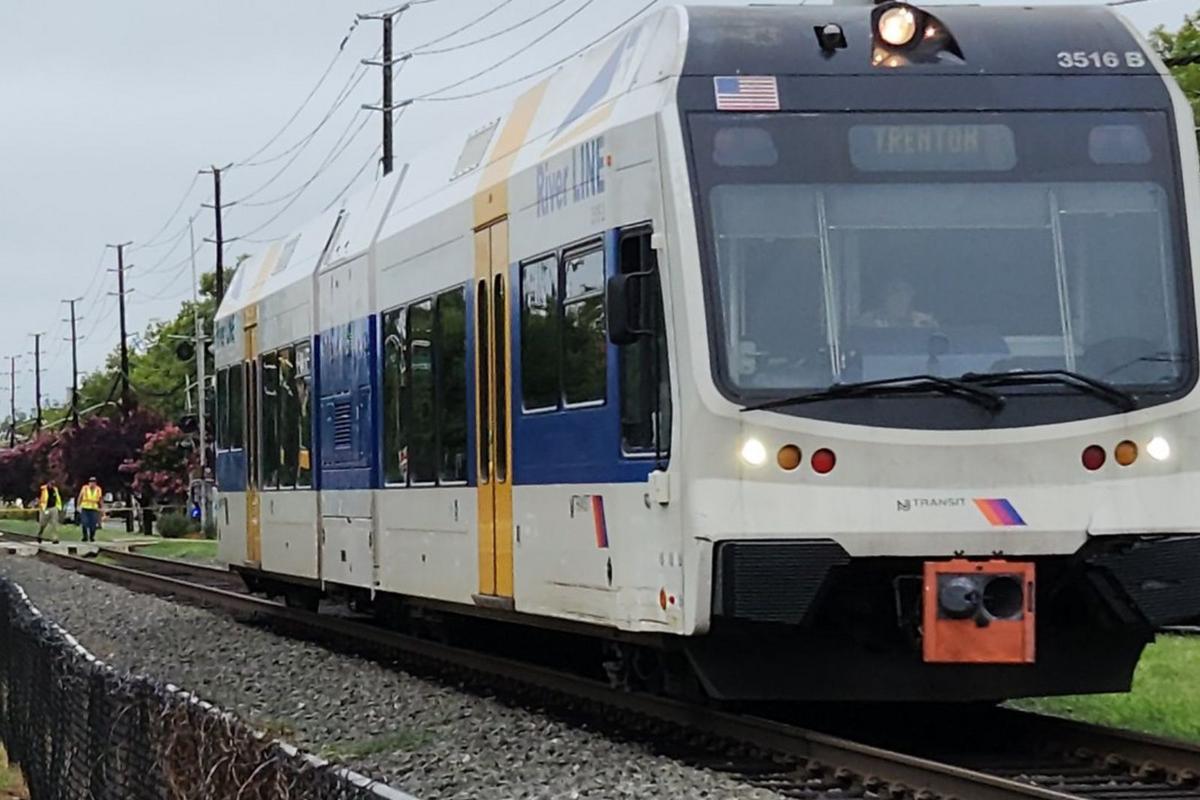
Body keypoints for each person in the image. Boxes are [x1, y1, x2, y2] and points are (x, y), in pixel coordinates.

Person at [859, 279, 938, 328]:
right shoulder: (869, 321)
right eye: (894, 291)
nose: (900, 297)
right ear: (884, 295)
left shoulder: (925, 323)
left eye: (906, 291)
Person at [78, 476, 103, 543]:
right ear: (89, 483)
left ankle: (92, 536)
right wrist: (78, 506)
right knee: (84, 522)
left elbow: (100, 499)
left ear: (95, 483)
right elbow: (80, 497)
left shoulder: (98, 489)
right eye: (91, 482)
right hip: (85, 508)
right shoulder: (85, 488)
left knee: (93, 524)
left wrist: (102, 508)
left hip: (94, 508)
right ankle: (85, 537)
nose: (92, 484)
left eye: (93, 482)